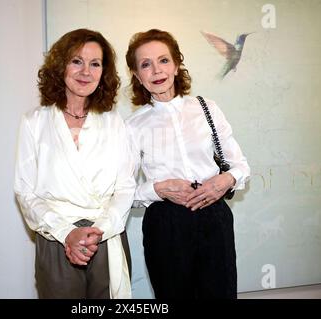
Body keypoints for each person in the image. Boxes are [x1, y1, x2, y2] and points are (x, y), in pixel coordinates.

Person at [125, 29, 250, 299]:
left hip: (214, 217)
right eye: (146, 64)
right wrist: (158, 189)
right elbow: (123, 192)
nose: (157, 70)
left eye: (163, 60)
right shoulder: (133, 126)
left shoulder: (207, 108)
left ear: (177, 64)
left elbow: (241, 167)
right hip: (165, 224)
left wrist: (224, 180)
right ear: (137, 75)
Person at [14, 28, 135, 299]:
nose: (85, 72)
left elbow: (126, 187)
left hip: (105, 236)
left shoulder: (114, 122)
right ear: (60, 66)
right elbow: (24, 191)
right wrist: (66, 233)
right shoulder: (34, 122)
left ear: (104, 72)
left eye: (95, 64)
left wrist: (100, 230)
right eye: (76, 61)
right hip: (57, 238)